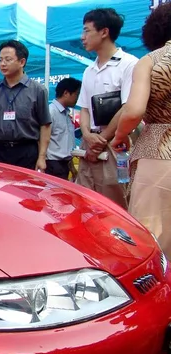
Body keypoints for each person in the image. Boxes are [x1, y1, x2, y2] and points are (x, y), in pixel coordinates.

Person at [111, 2, 171, 258]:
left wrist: (119, 136)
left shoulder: (151, 61)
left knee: (152, 238)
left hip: (159, 148)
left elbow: (133, 111)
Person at [75, 8, 138, 209]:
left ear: (104, 32)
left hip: (115, 144)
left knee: (114, 204)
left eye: (86, 31)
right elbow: (83, 108)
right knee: (84, 200)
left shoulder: (129, 64)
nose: (82, 37)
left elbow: (128, 107)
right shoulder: (89, 70)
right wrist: (86, 134)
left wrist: (103, 140)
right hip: (90, 144)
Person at [0, 40, 51, 171]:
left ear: (22, 62)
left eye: (8, 59)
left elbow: (45, 125)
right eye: (0, 60)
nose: (2, 64)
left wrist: (42, 157)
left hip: (26, 152)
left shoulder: (38, 90)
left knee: (23, 190)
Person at [46, 78, 82, 180]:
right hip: (53, 164)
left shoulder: (65, 113)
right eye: (76, 94)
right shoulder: (51, 112)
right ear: (66, 93)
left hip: (64, 164)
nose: (77, 98)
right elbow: (43, 138)